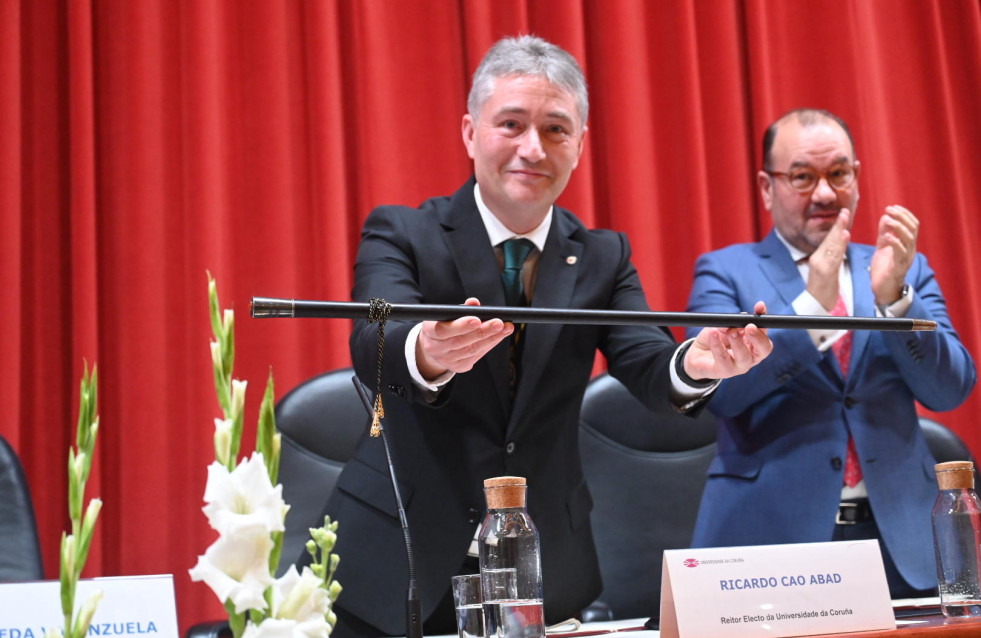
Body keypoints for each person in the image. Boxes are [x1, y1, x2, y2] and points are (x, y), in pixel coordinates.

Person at [319, 35, 772, 638]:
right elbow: (372, 341)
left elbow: (649, 364)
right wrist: (424, 349)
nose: (533, 148)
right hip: (395, 561)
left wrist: (700, 362)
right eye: (511, 123)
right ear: (469, 132)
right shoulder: (403, 231)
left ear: (580, 146)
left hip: (543, 567)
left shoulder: (602, 256)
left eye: (556, 130)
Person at [685, 108, 976, 598]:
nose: (823, 193)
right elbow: (719, 397)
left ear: (857, 178)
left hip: (903, 542)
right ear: (766, 187)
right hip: (771, 543)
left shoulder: (902, 268)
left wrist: (894, 298)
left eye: (838, 174)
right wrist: (811, 311)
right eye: (802, 177)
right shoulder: (725, 272)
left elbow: (950, 390)